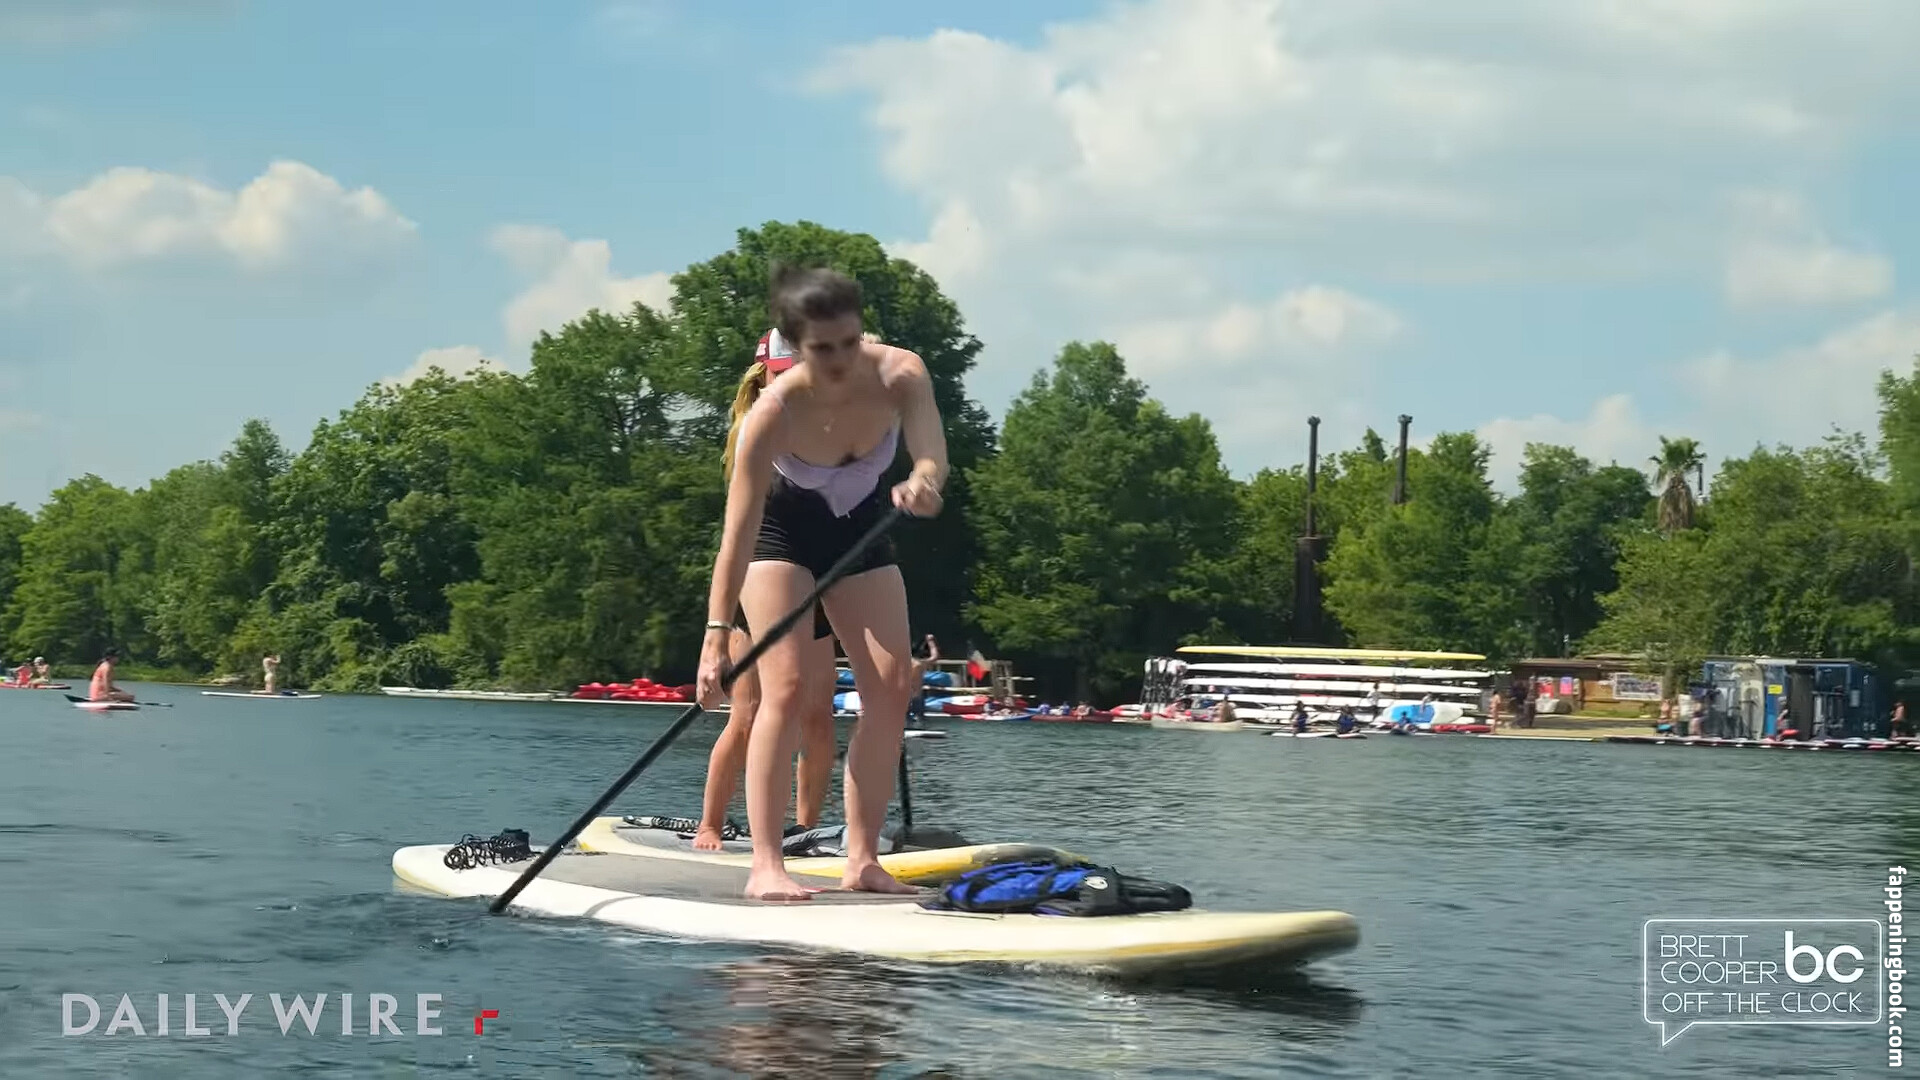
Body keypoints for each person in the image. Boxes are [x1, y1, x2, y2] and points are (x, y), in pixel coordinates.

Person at [697, 265, 947, 901]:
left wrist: (924, 483)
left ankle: (862, 859)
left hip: (858, 529)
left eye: (848, 344)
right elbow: (735, 538)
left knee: (891, 686)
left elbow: (931, 457)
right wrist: (715, 638)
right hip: (779, 534)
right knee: (782, 688)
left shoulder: (903, 374)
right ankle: (766, 865)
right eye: (819, 351)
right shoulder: (770, 415)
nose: (837, 363)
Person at [693, 334, 843, 854]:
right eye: (782, 373)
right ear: (764, 377)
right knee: (750, 712)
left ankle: (804, 829)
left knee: (819, 715)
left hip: (818, 581)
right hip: (760, 581)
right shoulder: (755, 430)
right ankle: (711, 824)